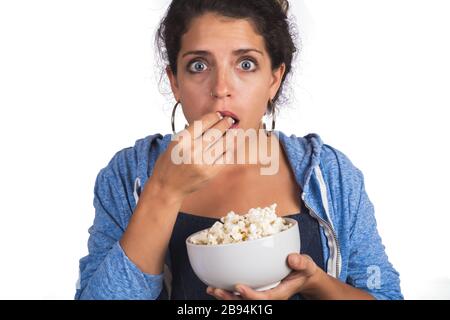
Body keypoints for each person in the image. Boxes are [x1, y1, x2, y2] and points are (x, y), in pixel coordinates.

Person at [75, 0, 402, 300]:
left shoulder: (330, 175)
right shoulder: (129, 175)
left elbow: (385, 295)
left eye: (246, 64)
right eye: (198, 66)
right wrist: (163, 192)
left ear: (274, 79)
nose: (221, 90)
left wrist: (316, 282)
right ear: (174, 81)